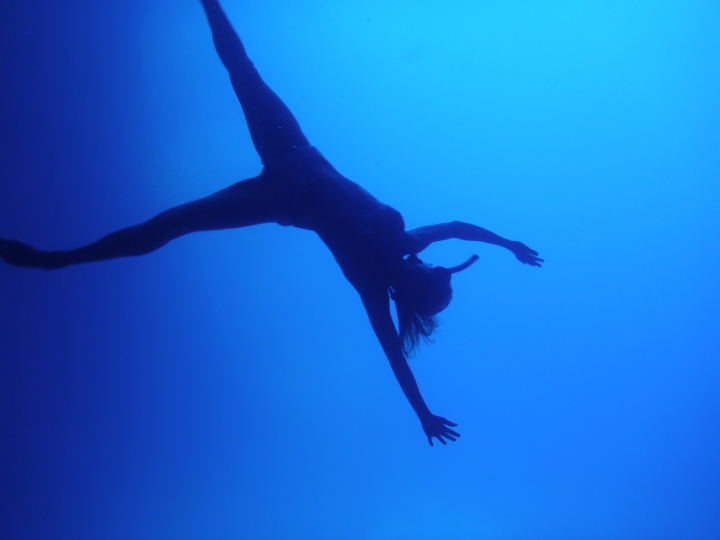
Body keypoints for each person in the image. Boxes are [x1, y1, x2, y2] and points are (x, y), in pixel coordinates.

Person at [0, 0, 542, 446]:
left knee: (168, 224)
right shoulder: (406, 242)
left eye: (436, 275)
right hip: (295, 151)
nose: (436, 266)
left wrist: (422, 413)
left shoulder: (373, 285)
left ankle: (56, 259)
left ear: (417, 284)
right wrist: (509, 242)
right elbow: (460, 227)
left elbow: (395, 357)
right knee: (242, 69)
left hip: (275, 195)